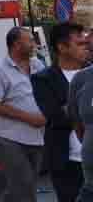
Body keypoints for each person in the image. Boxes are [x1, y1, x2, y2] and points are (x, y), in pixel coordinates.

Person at [0, 26, 47, 202]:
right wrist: (30, 118)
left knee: (20, 187)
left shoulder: (38, 65)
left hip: (36, 137)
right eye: (30, 40)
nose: (34, 44)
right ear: (16, 44)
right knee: (24, 186)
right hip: (10, 139)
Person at [33, 23, 88, 202]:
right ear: (62, 47)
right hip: (66, 161)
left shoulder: (91, 74)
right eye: (79, 44)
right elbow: (55, 117)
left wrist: (70, 108)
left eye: (85, 42)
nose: (86, 47)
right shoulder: (43, 79)